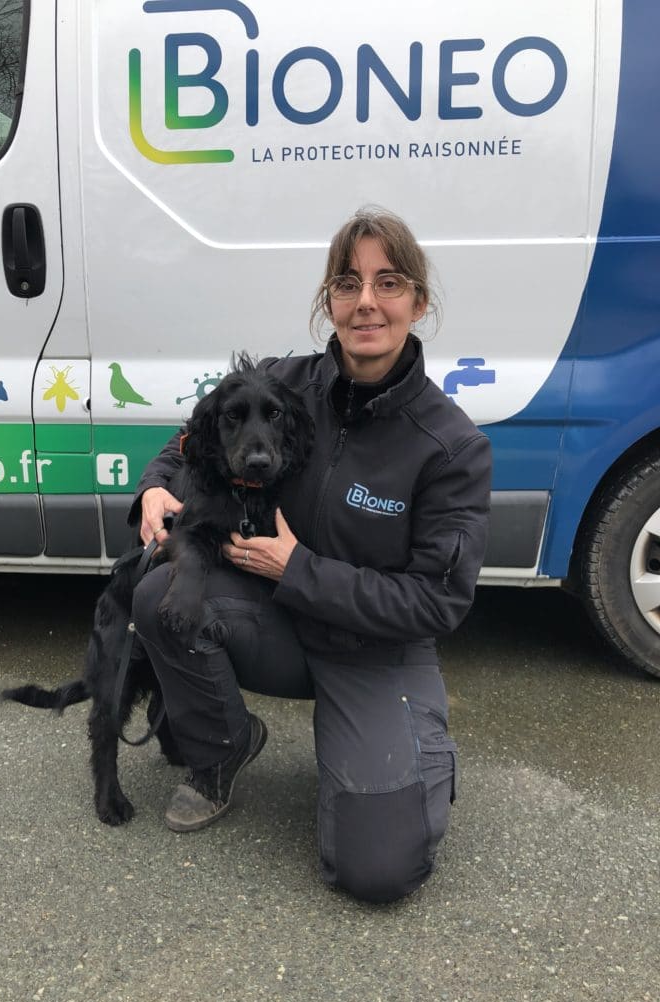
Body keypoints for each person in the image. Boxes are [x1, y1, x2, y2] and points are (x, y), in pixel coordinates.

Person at [130, 207, 492, 904]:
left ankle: (404, 756)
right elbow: (191, 439)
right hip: (280, 623)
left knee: (377, 871)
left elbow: (437, 602)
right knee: (160, 595)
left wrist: (298, 570)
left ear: (419, 301)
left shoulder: (450, 447)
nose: (366, 303)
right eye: (347, 283)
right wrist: (153, 489)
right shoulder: (281, 383)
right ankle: (223, 746)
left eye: (389, 283)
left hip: (375, 649)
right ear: (327, 300)